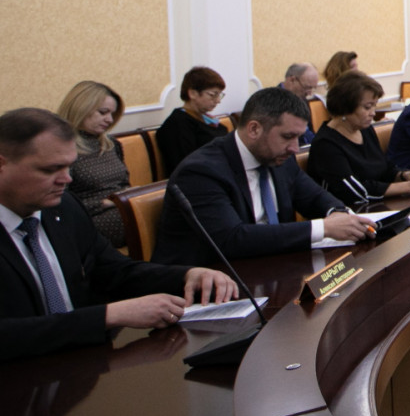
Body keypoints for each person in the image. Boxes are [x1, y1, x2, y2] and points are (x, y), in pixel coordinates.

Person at [0, 109, 235, 362]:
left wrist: (187, 275)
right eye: (51, 169)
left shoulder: (64, 207)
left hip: (79, 363)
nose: (66, 179)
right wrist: (107, 316)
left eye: (69, 166)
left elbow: (115, 271)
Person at [152, 88, 376, 266]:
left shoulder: (280, 158)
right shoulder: (201, 171)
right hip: (208, 284)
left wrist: (338, 214)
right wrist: (324, 228)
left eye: (298, 137)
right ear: (254, 129)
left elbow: (314, 197)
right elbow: (231, 240)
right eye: (288, 137)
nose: (294, 148)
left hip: (270, 268)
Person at [308, 73, 410, 207]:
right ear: (345, 106)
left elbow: (384, 169)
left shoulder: (365, 130)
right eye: (367, 107)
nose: (373, 113)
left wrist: (406, 175)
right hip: (348, 211)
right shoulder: (326, 144)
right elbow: (355, 192)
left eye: (374, 106)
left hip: (379, 205)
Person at [57, 81, 130, 245]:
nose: (109, 120)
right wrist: (103, 204)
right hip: (90, 219)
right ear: (81, 108)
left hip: (121, 208)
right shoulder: (63, 147)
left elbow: (124, 184)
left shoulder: (111, 144)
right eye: (103, 112)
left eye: (112, 114)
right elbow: (59, 203)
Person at [154, 66, 228, 172]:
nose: (218, 101)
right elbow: (186, 165)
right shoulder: (177, 125)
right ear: (192, 93)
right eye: (213, 95)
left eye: (219, 95)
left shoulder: (205, 119)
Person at [280, 62, 321, 145]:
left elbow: (309, 131)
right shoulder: (273, 101)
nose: (309, 93)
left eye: (313, 88)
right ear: (292, 80)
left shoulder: (302, 98)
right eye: (307, 87)